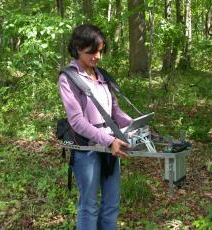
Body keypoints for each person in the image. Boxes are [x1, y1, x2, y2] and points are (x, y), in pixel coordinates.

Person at [58, 24, 132, 230]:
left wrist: (136, 125)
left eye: (100, 51)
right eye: (92, 51)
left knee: (111, 203)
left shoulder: (102, 76)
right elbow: (77, 121)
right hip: (87, 149)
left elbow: (115, 112)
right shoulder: (69, 78)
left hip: (111, 146)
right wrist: (108, 140)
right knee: (89, 205)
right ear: (77, 48)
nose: (97, 56)